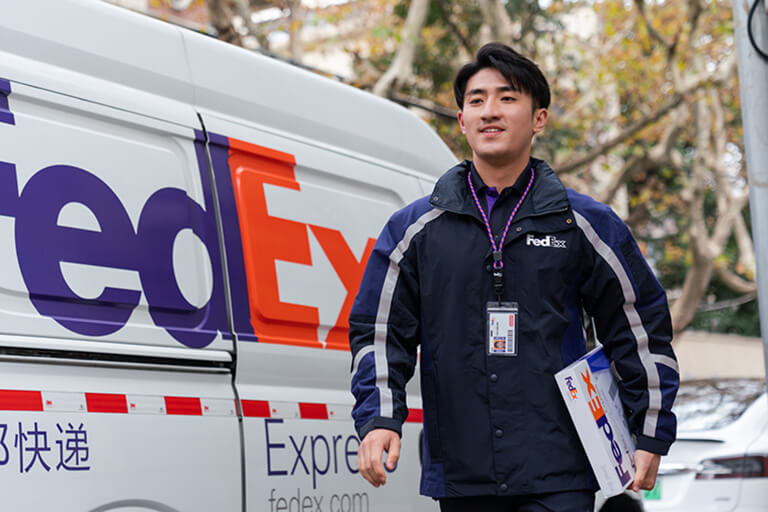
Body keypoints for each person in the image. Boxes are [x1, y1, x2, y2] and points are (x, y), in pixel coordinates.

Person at [348, 42, 679, 512]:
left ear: (538, 118)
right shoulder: (415, 229)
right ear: (461, 121)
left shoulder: (583, 223)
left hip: (560, 471)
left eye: (507, 98)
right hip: (463, 473)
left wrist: (649, 431)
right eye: (476, 100)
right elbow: (379, 333)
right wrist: (380, 417)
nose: (490, 111)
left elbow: (639, 326)